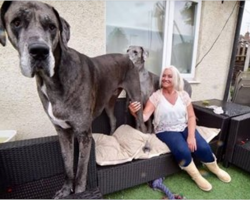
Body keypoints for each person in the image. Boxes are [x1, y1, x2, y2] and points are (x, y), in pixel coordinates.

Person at [129, 65, 231, 192]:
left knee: (203, 147)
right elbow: (144, 117)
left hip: (184, 126)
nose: (165, 78)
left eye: (169, 76)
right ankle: (196, 176)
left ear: (176, 79)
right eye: (164, 76)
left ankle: (215, 168)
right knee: (183, 151)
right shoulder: (156, 96)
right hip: (165, 130)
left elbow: (192, 117)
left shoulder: (183, 95)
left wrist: (191, 136)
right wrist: (134, 112)